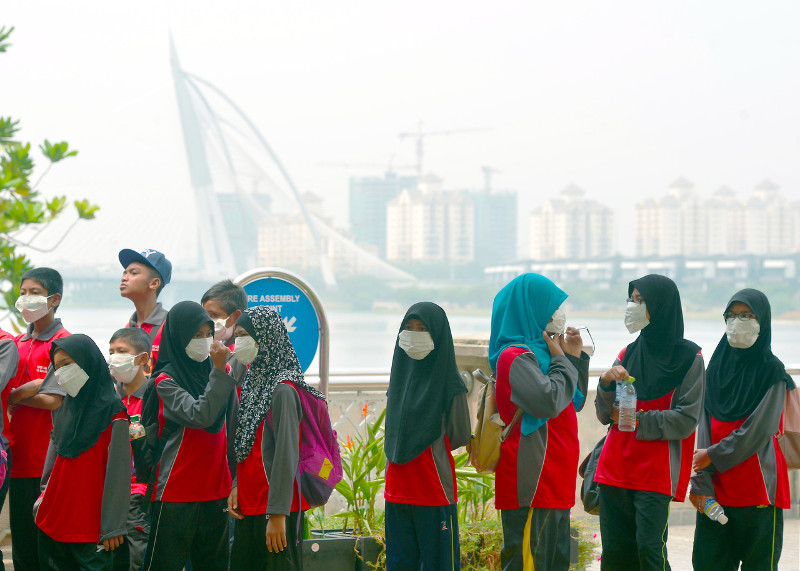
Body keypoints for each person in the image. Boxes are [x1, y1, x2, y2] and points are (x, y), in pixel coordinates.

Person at [594, 274, 704, 571]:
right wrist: (604, 384)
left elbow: (686, 418)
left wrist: (637, 420)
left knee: (649, 550)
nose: (634, 306)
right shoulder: (626, 353)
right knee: (615, 553)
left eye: (642, 300)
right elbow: (605, 415)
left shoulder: (690, 359)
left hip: (656, 471)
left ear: (662, 305)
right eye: (632, 299)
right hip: (615, 466)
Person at [488, 273, 589, 571]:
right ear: (530, 309)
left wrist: (573, 358)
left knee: (555, 561)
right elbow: (548, 400)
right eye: (552, 307)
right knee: (529, 562)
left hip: (556, 479)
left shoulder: (545, 354)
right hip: (533, 482)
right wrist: (561, 361)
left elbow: (575, 400)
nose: (558, 314)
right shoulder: (514, 356)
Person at [690, 289, 794, 570]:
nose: (738, 322)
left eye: (747, 316)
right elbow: (703, 427)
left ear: (763, 321)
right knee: (707, 563)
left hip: (758, 490)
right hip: (715, 493)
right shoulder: (716, 369)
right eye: (732, 316)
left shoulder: (772, 372)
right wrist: (701, 481)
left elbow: (758, 431)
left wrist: (712, 454)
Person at [227, 305, 325, 570]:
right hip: (250, 504)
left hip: (274, 509)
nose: (239, 342)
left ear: (266, 337)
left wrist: (278, 513)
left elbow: (286, 454)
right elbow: (245, 443)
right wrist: (237, 484)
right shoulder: (252, 383)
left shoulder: (283, 389)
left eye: (245, 334)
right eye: (237, 335)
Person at [141, 301, 237, 571]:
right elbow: (200, 416)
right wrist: (219, 371)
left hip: (215, 490)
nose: (203, 341)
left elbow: (231, 427)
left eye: (208, 334)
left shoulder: (221, 373)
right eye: (195, 335)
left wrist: (235, 481)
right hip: (175, 491)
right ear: (178, 336)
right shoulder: (165, 381)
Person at [383, 302, 471, 570]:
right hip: (402, 492)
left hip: (431, 491)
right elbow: (459, 434)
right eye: (408, 328)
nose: (414, 334)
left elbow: (460, 434)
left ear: (438, 335)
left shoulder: (448, 382)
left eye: (422, 329)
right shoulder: (400, 376)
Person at [34, 334, 131, 570]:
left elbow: (119, 474)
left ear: (88, 361)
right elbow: (52, 462)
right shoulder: (66, 407)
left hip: (92, 529)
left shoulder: (114, 411)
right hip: (54, 522)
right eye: (57, 367)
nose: (62, 372)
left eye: (68, 364)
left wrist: (113, 526)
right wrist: (41, 502)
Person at [2, 267, 70, 571]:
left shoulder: (68, 344)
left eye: (34, 292)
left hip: (48, 464)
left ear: (54, 299)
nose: (25, 299)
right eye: (23, 292)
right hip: (16, 462)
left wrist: (15, 396)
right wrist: (26, 390)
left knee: (48, 549)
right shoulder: (16, 343)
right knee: (23, 548)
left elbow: (55, 399)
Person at [108, 328, 152, 571]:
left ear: (142, 359)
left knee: (138, 562)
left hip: (140, 496)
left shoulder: (154, 396)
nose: (115, 357)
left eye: (122, 352)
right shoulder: (111, 401)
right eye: (111, 352)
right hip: (113, 496)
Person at [118, 248, 172, 366]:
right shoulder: (129, 327)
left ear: (154, 283)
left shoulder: (169, 326)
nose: (124, 278)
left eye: (133, 273)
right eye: (125, 273)